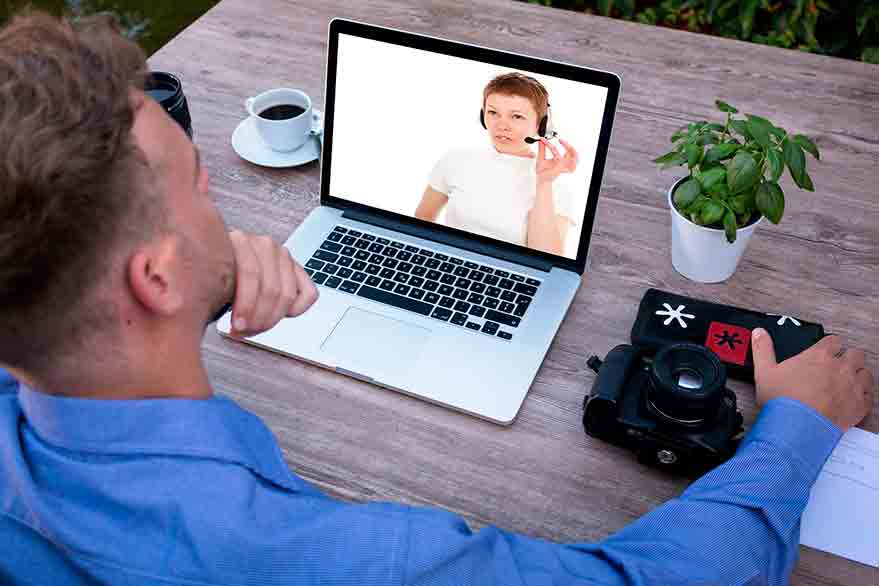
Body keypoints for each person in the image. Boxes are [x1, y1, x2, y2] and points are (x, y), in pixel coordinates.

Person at [0, 12, 874, 586]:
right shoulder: (361, 561)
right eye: (198, 180)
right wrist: (796, 433)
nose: (217, 203)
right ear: (150, 278)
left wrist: (201, 272)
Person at [414, 72, 580, 256]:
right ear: (482, 115)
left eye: (516, 116)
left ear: (541, 124)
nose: (502, 125)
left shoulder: (556, 185)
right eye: (493, 113)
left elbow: (547, 259)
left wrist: (544, 183)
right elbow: (421, 223)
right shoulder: (454, 161)